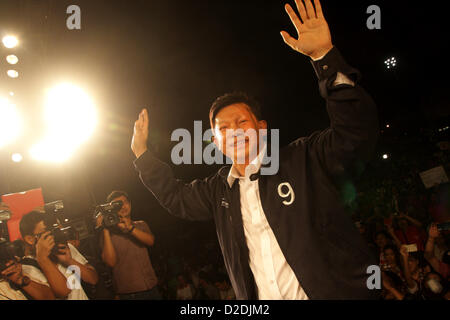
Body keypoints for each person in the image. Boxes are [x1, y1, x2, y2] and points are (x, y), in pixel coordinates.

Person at [131, 0, 379, 299]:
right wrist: (142, 156)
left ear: (261, 128)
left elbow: (354, 133)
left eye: (241, 122)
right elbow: (176, 197)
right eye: (223, 128)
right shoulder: (218, 191)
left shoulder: (303, 159)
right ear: (216, 141)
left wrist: (325, 58)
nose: (233, 131)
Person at [96, 190, 161, 300]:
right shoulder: (108, 234)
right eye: (117, 205)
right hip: (129, 294)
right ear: (111, 209)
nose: (122, 206)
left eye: (124, 202)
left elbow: (150, 241)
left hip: (152, 287)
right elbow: (110, 262)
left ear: (130, 204)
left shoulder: (141, 224)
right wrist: (105, 229)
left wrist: (130, 228)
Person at [19, 211, 98, 300]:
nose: (53, 236)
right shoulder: (27, 266)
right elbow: (63, 292)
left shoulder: (64, 249)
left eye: (53, 230)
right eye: (46, 233)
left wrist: (70, 261)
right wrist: (43, 259)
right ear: (30, 239)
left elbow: (93, 279)